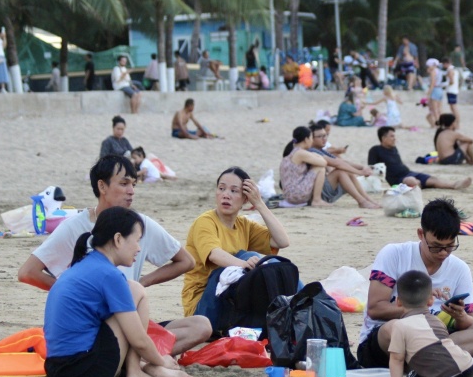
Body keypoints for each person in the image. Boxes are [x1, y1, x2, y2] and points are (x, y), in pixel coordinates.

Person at [18, 155, 211, 356]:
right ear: (102, 187)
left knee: (201, 326)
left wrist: (141, 283)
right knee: (128, 333)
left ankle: (141, 358)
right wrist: (77, 296)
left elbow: (186, 261)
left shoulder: (138, 224)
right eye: (124, 183)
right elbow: (28, 272)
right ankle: (142, 360)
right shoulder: (75, 227)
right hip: (96, 323)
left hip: (131, 317)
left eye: (134, 184)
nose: (131, 191)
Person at [43, 207, 195, 377]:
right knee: (137, 290)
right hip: (85, 371)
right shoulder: (110, 275)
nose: (139, 248)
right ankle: (137, 372)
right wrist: (161, 361)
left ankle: (140, 368)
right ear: (118, 239)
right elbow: (139, 341)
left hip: (55, 368)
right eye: (137, 240)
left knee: (130, 291)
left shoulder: (84, 264)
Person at [357, 198, 473, 369]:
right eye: (435, 246)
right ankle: (451, 357)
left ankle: (437, 359)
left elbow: (468, 323)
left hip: (436, 339)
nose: (443, 253)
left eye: (450, 246)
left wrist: (460, 316)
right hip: (386, 344)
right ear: (421, 234)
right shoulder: (394, 254)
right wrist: (421, 311)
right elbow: (375, 309)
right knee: (395, 328)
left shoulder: (460, 269)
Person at [373, 270, 473, 377]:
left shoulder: (399, 325)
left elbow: (397, 359)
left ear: (398, 302)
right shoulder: (437, 321)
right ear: (430, 301)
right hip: (470, 373)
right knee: (459, 356)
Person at [182, 167, 290, 316]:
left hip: (230, 300)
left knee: (275, 265)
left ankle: (301, 300)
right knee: (249, 257)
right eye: (221, 188)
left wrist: (259, 203)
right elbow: (214, 254)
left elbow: (282, 241)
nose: (226, 195)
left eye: (234, 191)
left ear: (245, 199)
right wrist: (244, 264)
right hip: (201, 308)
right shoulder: (205, 221)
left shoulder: (244, 225)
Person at [368, 127, 472, 190]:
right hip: (396, 179)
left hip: (408, 172)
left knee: (433, 179)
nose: (394, 138)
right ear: (383, 138)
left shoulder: (393, 148)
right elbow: (371, 169)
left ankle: (455, 185)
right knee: (412, 181)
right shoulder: (375, 150)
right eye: (392, 136)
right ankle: (418, 186)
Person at [308, 123, 381, 208]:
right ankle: (362, 201)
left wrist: (362, 167)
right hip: (315, 192)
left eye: (325, 135)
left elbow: (341, 161)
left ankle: (367, 199)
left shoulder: (320, 150)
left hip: (320, 188)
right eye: (320, 136)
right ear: (311, 139)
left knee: (346, 170)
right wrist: (360, 172)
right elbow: (337, 164)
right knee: (340, 172)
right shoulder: (312, 151)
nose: (324, 139)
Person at [279, 126, 330, 207]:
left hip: (289, 195)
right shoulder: (300, 153)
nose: (312, 140)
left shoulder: (291, 151)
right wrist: (316, 154)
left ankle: (316, 199)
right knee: (320, 168)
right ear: (306, 139)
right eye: (311, 138)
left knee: (316, 167)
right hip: (296, 195)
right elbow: (323, 163)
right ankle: (317, 200)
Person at [442, 57, 461, 129]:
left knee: (453, 107)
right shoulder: (455, 70)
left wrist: (444, 84)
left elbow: (451, 81)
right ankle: (456, 123)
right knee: (453, 107)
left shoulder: (450, 70)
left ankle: (457, 123)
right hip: (454, 90)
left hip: (451, 90)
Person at [425, 58, 443, 127]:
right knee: (439, 109)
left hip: (435, 90)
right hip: (440, 90)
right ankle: (442, 123)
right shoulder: (439, 71)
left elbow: (432, 83)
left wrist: (429, 93)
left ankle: (438, 124)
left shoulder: (433, 72)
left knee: (435, 110)